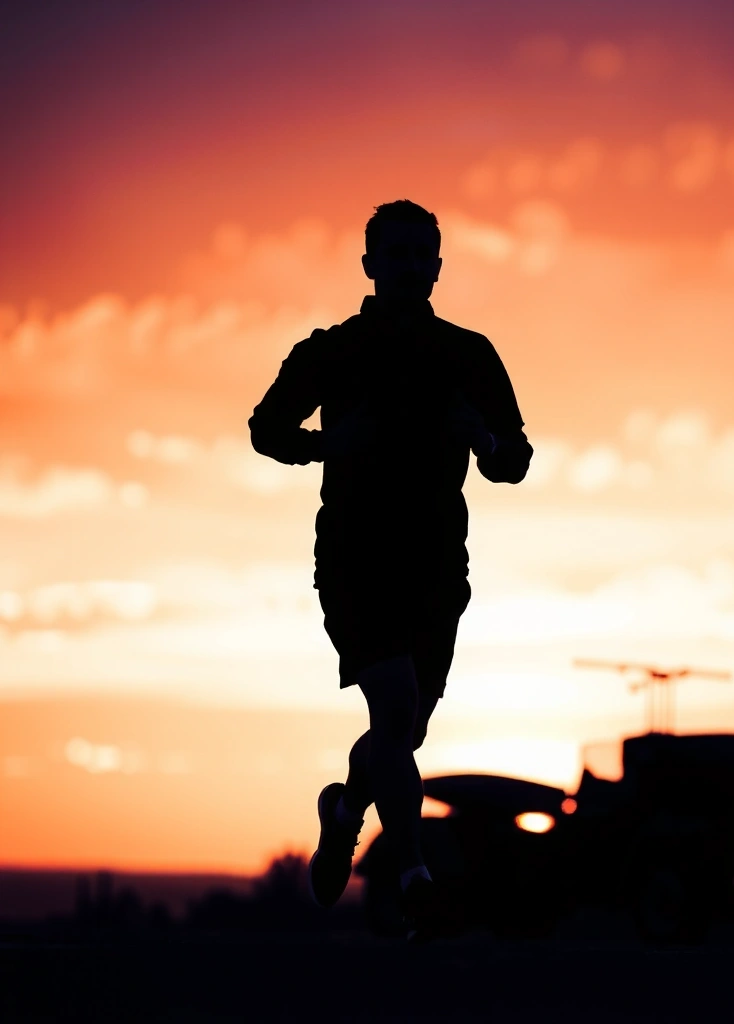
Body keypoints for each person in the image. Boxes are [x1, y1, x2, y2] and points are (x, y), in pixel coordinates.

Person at [248, 199, 532, 939]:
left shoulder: (469, 355)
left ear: (436, 267)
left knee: (401, 733)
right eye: (393, 254)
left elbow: (516, 458)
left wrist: (484, 441)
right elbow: (265, 429)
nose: (407, 266)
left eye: (419, 254)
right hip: (354, 561)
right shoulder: (333, 352)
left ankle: (345, 809)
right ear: (370, 265)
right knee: (396, 705)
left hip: (437, 570)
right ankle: (414, 880)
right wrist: (327, 444)